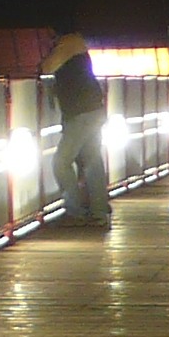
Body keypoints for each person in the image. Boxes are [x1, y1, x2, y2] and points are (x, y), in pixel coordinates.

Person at [42, 31, 112, 225]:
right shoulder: (76, 44)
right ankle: (99, 211)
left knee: (61, 162)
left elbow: (47, 67)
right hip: (93, 110)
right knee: (92, 160)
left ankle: (74, 211)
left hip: (81, 113)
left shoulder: (69, 44)